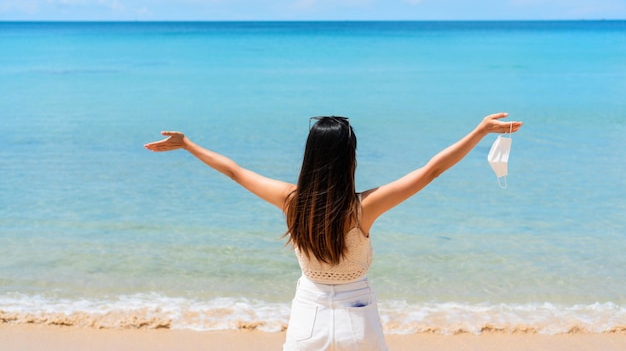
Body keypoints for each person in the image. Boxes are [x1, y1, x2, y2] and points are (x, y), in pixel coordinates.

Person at [144, 113, 523, 351]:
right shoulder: (362, 208)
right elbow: (431, 170)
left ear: (310, 156)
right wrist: (479, 131)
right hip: (358, 316)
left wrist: (187, 144)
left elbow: (234, 170)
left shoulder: (291, 201)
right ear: (350, 158)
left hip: (309, 312)